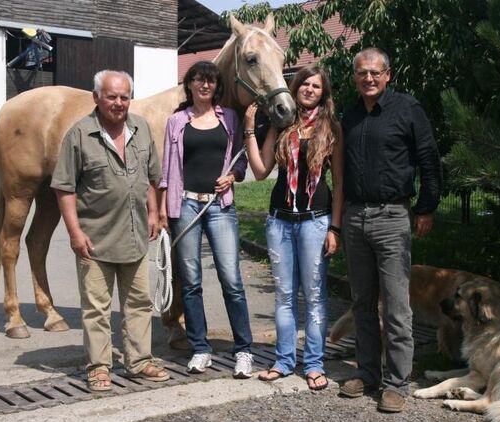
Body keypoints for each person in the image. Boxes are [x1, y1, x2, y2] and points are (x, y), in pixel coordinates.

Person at [51, 70, 170, 392]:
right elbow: (64, 188)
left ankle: (139, 360)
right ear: (96, 98)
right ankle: (99, 367)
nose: (119, 103)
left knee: (139, 304)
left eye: (124, 97)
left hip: (135, 236)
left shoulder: (141, 128)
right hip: (95, 238)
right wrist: (75, 232)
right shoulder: (79, 134)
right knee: (96, 309)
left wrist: (154, 212)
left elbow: (151, 176)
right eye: (112, 96)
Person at [338, 48, 442, 412]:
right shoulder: (348, 116)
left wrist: (427, 206)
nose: (368, 78)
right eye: (362, 73)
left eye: (375, 73)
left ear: (388, 75)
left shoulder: (407, 109)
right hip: (355, 218)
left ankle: (397, 382)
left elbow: (428, 158)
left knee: (397, 306)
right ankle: (367, 373)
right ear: (355, 77)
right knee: (362, 303)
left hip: (392, 217)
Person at [243, 66, 344, 391]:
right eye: (305, 84)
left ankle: (314, 364)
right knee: (285, 296)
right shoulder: (281, 124)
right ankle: (284, 361)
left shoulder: (332, 129)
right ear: (296, 87)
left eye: (316, 86)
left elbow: (340, 183)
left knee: (314, 297)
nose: (310, 89)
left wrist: (336, 228)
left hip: (316, 222)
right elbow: (260, 171)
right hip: (280, 222)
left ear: (323, 93)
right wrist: (249, 130)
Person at [158, 61, 254, 379]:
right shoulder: (176, 121)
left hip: (219, 206)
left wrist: (233, 176)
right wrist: (161, 210)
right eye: (198, 80)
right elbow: (166, 170)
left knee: (232, 281)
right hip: (184, 205)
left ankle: (243, 350)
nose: (204, 85)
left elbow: (240, 158)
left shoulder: (229, 118)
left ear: (216, 86)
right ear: (189, 85)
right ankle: (200, 348)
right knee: (191, 281)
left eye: (210, 81)